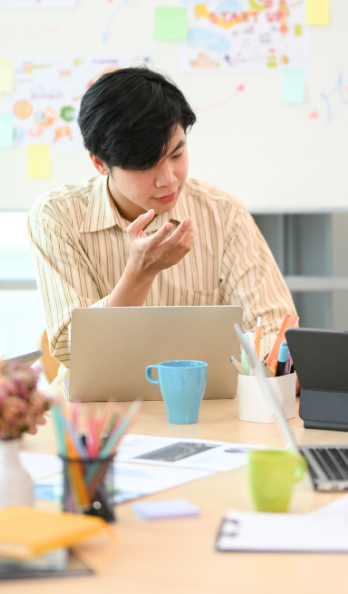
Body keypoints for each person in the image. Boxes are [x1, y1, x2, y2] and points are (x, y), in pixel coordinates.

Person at [28, 67, 296, 371]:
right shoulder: (57, 218)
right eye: (146, 165)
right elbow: (72, 350)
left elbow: (274, 328)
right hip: (102, 398)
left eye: (177, 155)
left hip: (208, 397)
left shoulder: (223, 213)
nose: (169, 179)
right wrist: (139, 274)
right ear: (100, 163)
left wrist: (278, 365)